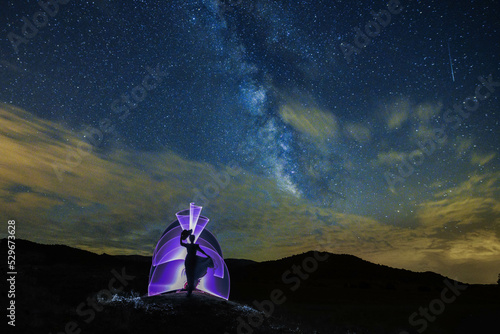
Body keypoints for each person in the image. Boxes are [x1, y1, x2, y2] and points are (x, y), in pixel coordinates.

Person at [180, 229, 214, 296]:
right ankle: (190, 288)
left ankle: (190, 289)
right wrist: (181, 236)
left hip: (192, 259)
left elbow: (202, 251)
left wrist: (207, 256)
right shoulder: (190, 245)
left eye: (192, 238)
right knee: (189, 272)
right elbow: (181, 243)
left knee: (191, 273)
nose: (192, 239)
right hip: (189, 259)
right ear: (190, 239)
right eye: (191, 238)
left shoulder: (193, 246)